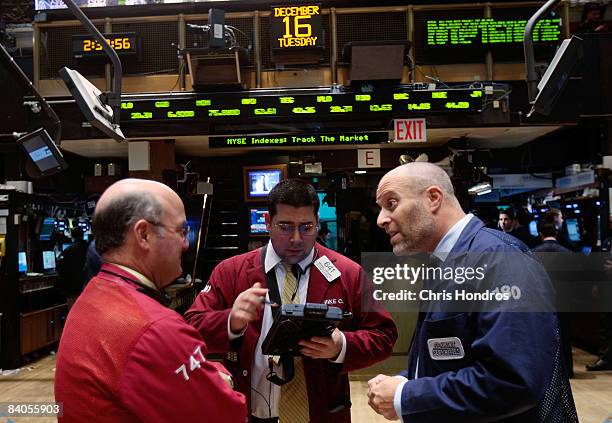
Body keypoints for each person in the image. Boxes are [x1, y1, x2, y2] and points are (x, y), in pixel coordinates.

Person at [367, 163, 577, 422]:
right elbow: (455, 355)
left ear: (433, 198)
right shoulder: (444, 262)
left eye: (392, 203)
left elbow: (513, 381)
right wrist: (409, 377)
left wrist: (407, 395)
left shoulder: (500, 259)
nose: (381, 219)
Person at [185, 179, 397, 423]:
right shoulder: (231, 271)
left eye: (306, 227)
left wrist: (342, 346)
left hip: (321, 413)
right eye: (285, 227)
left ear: (317, 223)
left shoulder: (349, 274)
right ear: (267, 222)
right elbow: (191, 328)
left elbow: (384, 336)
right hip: (248, 413)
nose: (296, 238)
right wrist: (230, 321)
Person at [55, 179, 247, 423]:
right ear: (143, 234)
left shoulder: (92, 295)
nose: (186, 244)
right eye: (181, 231)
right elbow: (227, 415)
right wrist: (220, 375)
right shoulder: (154, 327)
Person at [532, 220, 574, 377]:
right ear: (555, 233)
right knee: (565, 335)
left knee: (543, 335)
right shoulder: (568, 253)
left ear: (540, 234)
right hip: (564, 299)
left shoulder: (533, 252)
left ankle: (549, 372)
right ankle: (568, 370)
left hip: (541, 299)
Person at [57, 227, 89, 309]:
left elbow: (61, 269)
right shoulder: (90, 249)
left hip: (73, 289)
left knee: (74, 312)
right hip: (88, 288)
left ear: (72, 236)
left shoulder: (68, 251)